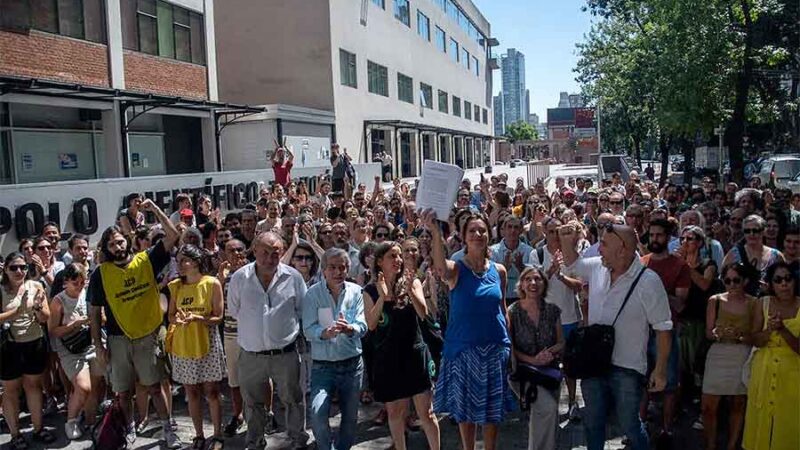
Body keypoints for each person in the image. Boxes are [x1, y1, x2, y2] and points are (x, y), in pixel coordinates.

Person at [560, 223, 672, 450]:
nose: (598, 249)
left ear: (622, 249)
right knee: (593, 423)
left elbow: (663, 329)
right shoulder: (596, 268)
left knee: (629, 425)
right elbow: (572, 265)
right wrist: (566, 239)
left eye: (603, 244)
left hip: (628, 368)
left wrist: (660, 370)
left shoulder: (649, 281)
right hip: (593, 364)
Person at [88, 199, 181, 448]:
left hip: (147, 336)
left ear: (126, 240)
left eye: (120, 241)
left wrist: (155, 211)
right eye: (111, 244)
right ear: (106, 248)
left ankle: (168, 430)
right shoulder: (101, 273)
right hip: (118, 339)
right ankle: (128, 430)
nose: (117, 246)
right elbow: (94, 312)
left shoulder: (145, 260)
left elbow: (173, 235)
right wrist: (98, 345)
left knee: (153, 386)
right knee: (123, 392)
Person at [423, 209, 514, 450]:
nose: (477, 234)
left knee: (492, 412)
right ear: (463, 237)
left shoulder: (499, 270)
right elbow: (440, 268)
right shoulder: (456, 269)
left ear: (489, 235)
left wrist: (510, 346)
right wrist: (435, 232)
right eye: (472, 230)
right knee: (466, 412)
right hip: (463, 350)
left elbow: (503, 309)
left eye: (482, 230)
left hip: (495, 349)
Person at [227, 232, 309, 450]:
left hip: (286, 354)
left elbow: (302, 310)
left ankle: (297, 440)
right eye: (265, 252)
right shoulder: (239, 278)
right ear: (254, 250)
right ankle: (254, 442)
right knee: (252, 404)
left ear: (282, 253)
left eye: (276, 253)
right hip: (251, 356)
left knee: (293, 399)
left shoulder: (293, 277)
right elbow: (234, 310)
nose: (270, 258)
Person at [363, 242, 440, 450]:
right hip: (388, 359)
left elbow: (423, 313)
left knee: (427, 412)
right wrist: (382, 296)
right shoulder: (370, 290)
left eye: (399, 256)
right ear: (380, 261)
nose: (398, 260)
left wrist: (409, 290)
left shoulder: (412, 281)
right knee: (396, 413)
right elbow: (371, 324)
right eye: (392, 256)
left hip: (414, 354)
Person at [303, 248, 368, 450]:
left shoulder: (356, 291)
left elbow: (363, 325)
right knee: (317, 412)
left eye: (343, 267)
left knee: (350, 417)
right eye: (332, 267)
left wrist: (351, 329)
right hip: (323, 367)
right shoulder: (312, 294)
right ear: (323, 270)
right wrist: (324, 333)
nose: (338, 272)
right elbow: (307, 329)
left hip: (351, 364)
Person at [166, 245, 226, 450]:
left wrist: (199, 318)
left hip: (207, 343)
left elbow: (218, 317)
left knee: (212, 391)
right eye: (178, 260)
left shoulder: (212, 283)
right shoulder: (176, 286)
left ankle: (217, 434)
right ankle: (199, 435)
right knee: (191, 392)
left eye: (185, 260)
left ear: (197, 262)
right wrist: (179, 319)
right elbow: (171, 315)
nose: (180, 265)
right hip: (184, 345)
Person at [640, 218, 691, 444]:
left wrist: (656, 287)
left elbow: (680, 303)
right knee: (640, 379)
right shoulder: (641, 263)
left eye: (659, 235)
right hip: (641, 331)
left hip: (667, 332)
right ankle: (639, 427)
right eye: (651, 235)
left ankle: (666, 428)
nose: (655, 239)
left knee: (669, 383)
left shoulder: (680, 266)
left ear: (668, 237)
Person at [0, 253, 56, 449]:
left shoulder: (36, 286)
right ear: (5, 269)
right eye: (14, 267)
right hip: (8, 346)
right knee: (11, 391)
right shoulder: (1, 290)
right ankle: (15, 434)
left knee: (33, 387)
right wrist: (18, 311)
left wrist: (39, 308)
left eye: (23, 267)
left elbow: (45, 317)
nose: (19, 271)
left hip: (34, 342)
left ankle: (38, 428)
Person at [743, 262, 800, 450]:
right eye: (778, 280)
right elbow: (754, 339)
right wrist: (769, 330)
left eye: (788, 279)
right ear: (771, 284)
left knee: (789, 421)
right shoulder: (763, 304)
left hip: (793, 374)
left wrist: (783, 330)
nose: (784, 284)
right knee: (761, 419)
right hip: (764, 371)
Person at [508, 266, 565, 450]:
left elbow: (561, 342)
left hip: (549, 372)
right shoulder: (513, 311)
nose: (533, 283)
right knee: (546, 410)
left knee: (548, 415)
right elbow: (510, 347)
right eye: (528, 279)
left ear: (544, 284)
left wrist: (549, 353)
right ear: (522, 285)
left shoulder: (552, 310)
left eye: (538, 279)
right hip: (524, 373)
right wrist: (533, 360)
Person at [701, 263, 755, 450]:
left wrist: (739, 336)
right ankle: (711, 445)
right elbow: (708, 332)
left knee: (738, 403)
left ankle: (732, 446)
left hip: (741, 354)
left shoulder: (754, 303)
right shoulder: (714, 300)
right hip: (718, 352)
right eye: (727, 280)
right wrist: (717, 333)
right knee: (708, 406)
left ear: (745, 281)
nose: (731, 285)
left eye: (736, 280)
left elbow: (755, 335)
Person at [48, 263, 104, 440]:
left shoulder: (88, 293)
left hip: (90, 343)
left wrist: (98, 318)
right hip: (70, 350)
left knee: (95, 388)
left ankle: (89, 421)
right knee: (82, 387)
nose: (80, 286)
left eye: (82, 282)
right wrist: (73, 325)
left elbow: (101, 318)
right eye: (75, 283)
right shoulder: (58, 301)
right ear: (66, 282)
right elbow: (53, 330)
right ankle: (71, 420)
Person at [721, 215, 784, 297]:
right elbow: (723, 278)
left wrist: (770, 289)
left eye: (755, 230)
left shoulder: (776, 256)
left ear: (763, 231)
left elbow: (786, 280)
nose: (751, 234)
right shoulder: (733, 254)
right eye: (747, 231)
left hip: (768, 303)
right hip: (741, 303)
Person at [490, 216, 534, 304]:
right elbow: (490, 278)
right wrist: (504, 267)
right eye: (509, 227)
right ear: (503, 230)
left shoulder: (529, 251)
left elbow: (533, 278)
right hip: (500, 297)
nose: (513, 230)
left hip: (523, 298)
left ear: (521, 231)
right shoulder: (492, 251)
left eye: (516, 227)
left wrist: (521, 267)